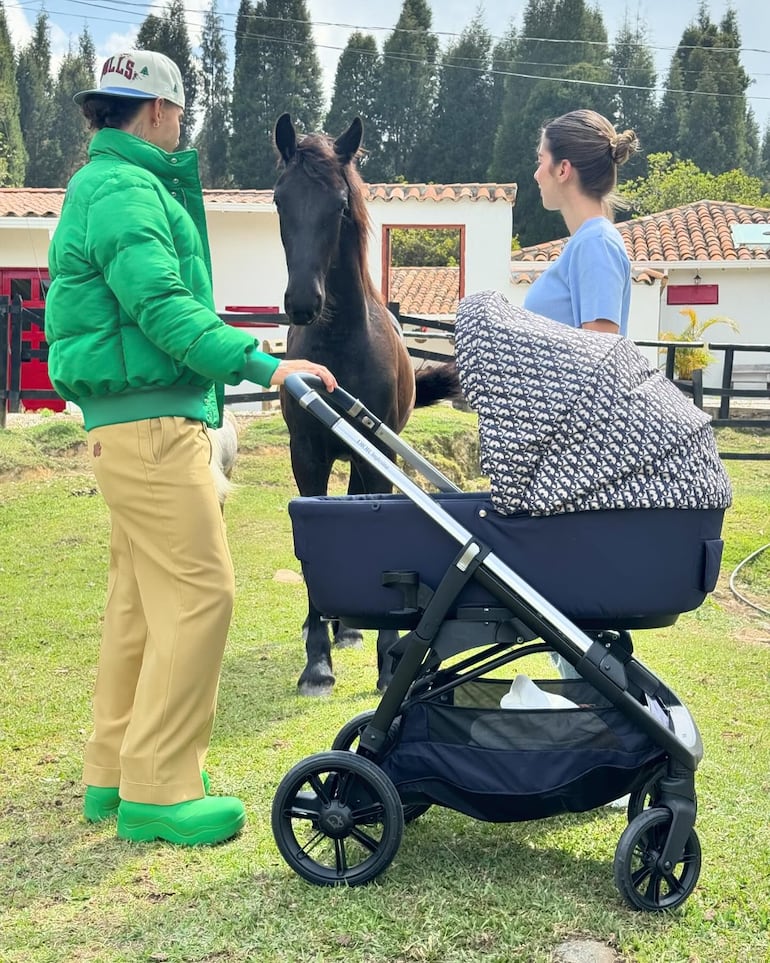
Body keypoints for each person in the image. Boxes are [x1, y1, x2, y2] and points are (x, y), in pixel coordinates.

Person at [44, 50, 336, 846]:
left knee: (138, 606)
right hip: (152, 428)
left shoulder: (105, 185)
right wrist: (267, 365)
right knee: (203, 594)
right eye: (178, 114)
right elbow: (163, 309)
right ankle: (161, 788)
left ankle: (113, 773)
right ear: (159, 112)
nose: (180, 127)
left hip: (124, 424)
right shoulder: (126, 189)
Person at [523, 108, 639, 336]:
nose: (536, 174)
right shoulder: (588, 241)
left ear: (563, 169)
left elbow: (599, 354)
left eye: (541, 160)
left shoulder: (597, 243)